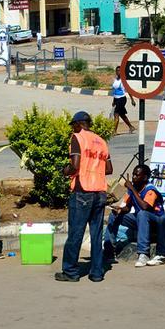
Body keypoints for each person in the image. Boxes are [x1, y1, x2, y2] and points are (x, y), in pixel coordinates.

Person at [55, 111, 112, 283]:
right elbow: (109, 169)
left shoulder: (77, 138)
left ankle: (70, 272)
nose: (73, 128)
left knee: (76, 233)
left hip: (82, 192)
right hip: (100, 192)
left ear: (79, 124)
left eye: (73, 125)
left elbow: (75, 166)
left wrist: (65, 171)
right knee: (96, 234)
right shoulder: (102, 142)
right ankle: (96, 273)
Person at [103, 164, 165, 267]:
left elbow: (145, 207)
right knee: (114, 216)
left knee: (142, 214)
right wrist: (119, 209)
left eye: (137, 175)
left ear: (145, 177)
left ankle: (143, 253)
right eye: (133, 175)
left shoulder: (150, 189)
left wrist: (132, 189)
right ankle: (109, 251)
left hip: (156, 221)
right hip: (140, 220)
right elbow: (127, 207)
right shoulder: (133, 189)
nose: (134, 177)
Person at [111, 66, 136, 135]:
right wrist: (113, 101)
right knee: (122, 114)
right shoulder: (115, 80)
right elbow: (115, 91)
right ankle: (131, 127)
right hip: (116, 99)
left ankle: (114, 131)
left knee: (116, 114)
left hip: (122, 99)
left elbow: (128, 90)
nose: (118, 72)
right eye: (117, 70)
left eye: (119, 70)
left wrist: (132, 100)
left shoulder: (123, 80)